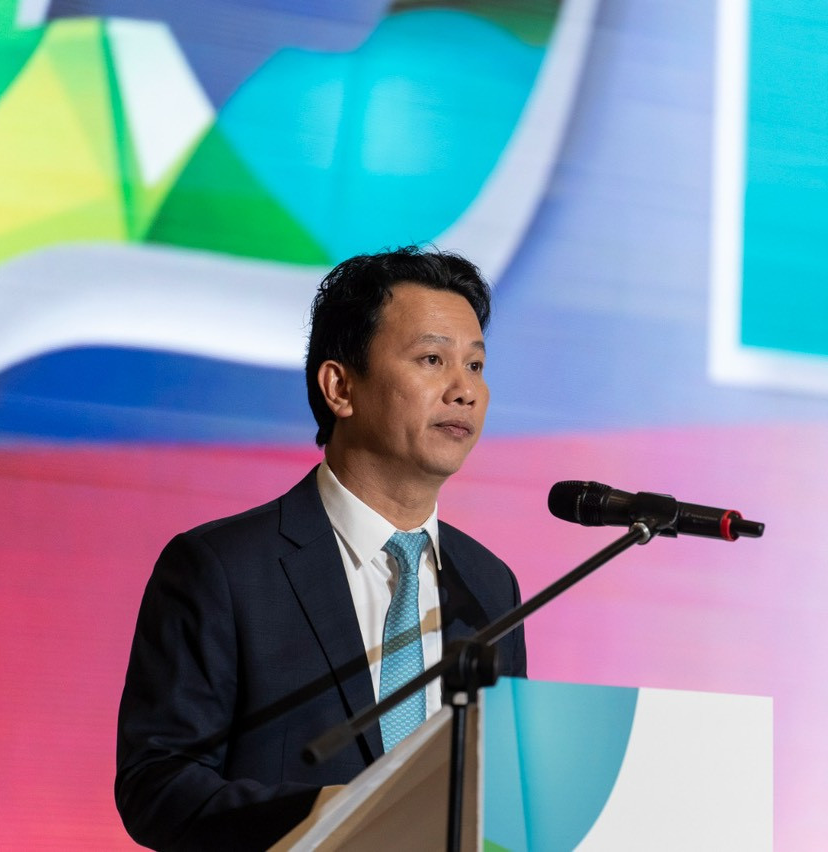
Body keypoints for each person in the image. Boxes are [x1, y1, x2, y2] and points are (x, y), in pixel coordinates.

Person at [115, 246, 527, 850]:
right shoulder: (223, 569)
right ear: (340, 386)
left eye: (476, 365)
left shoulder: (490, 585)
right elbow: (158, 786)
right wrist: (329, 816)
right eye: (432, 359)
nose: (464, 390)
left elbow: (503, 799)